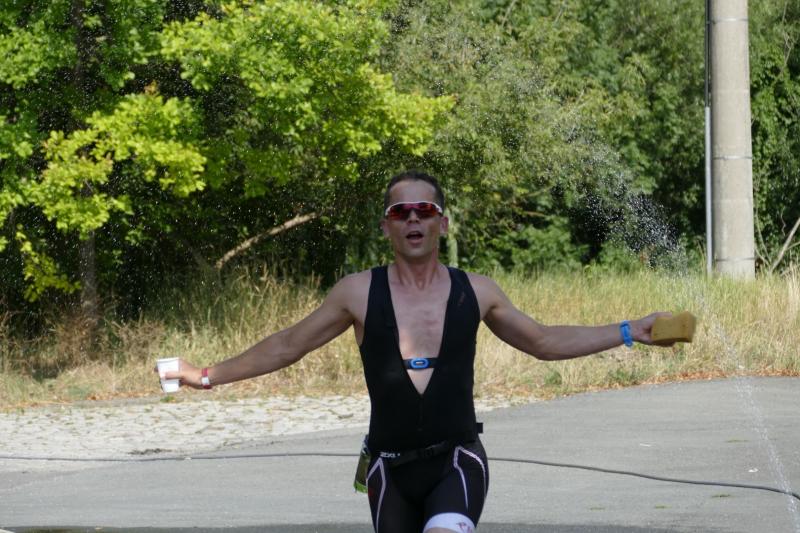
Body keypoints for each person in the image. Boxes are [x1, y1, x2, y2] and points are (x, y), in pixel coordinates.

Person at [161, 170, 672, 533]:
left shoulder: (478, 291)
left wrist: (630, 331)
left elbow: (543, 341)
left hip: (458, 460)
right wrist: (205, 375)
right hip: (388, 469)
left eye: (424, 210)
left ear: (441, 224)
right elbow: (288, 345)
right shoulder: (357, 293)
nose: (413, 218)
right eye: (399, 211)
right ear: (386, 226)